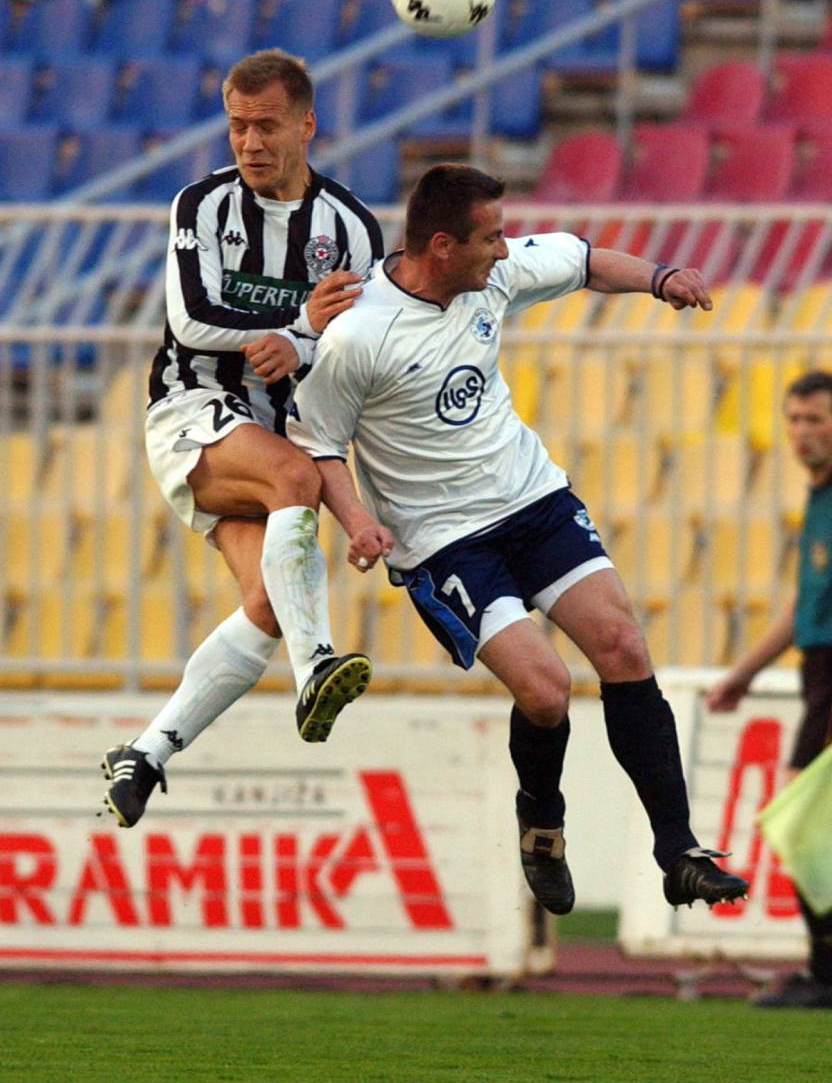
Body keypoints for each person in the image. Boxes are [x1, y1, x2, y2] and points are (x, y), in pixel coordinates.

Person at [281, 163, 749, 915]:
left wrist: (660, 278)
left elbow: (586, 260)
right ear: (440, 246)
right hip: (445, 542)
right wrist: (358, 519)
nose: (503, 251)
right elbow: (319, 441)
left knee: (623, 647)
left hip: (533, 499)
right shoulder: (359, 332)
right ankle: (542, 817)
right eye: (490, 238)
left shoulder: (490, 279)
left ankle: (678, 850)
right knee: (545, 690)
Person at [100, 48, 384, 828]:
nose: (250, 144)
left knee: (265, 602)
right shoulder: (201, 206)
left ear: (307, 125)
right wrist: (295, 328)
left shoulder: (350, 227)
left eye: (265, 127)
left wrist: (310, 346)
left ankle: (148, 752)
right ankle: (316, 667)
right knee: (294, 481)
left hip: (270, 427)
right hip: (192, 408)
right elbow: (190, 318)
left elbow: (355, 339)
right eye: (236, 127)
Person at [707, 370, 832, 1009]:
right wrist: (745, 673)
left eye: (815, 419)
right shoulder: (819, 498)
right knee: (808, 825)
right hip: (817, 675)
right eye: (794, 419)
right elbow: (802, 604)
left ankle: (826, 975)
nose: (802, 432)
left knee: (803, 823)